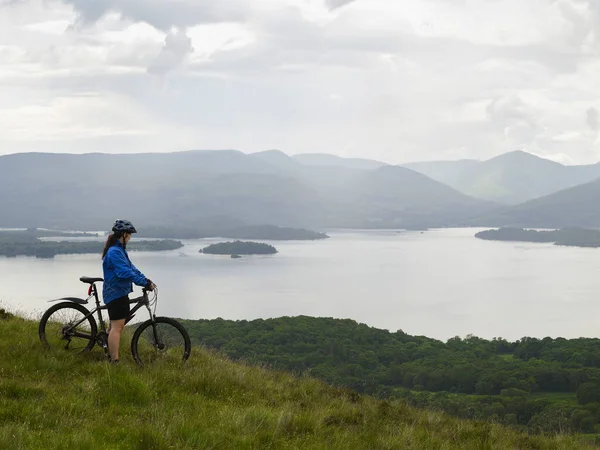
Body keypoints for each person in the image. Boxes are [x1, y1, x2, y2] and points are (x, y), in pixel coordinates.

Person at [101, 219, 156, 363]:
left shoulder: (119, 251)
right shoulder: (114, 252)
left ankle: (108, 349)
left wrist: (145, 279)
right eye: (129, 234)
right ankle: (114, 362)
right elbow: (124, 272)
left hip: (120, 292)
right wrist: (143, 282)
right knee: (117, 329)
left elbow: (132, 268)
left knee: (115, 326)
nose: (130, 237)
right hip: (115, 293)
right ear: (123, 234)